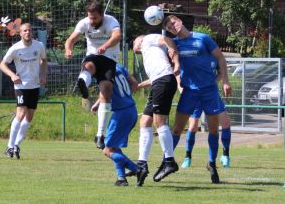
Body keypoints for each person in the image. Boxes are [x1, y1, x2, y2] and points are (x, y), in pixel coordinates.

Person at [161, 15, 232, 184]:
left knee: (214, 130)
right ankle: (166, 162)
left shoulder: (203, 38)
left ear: (179, 20)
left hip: (209, 91)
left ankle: (212, 164)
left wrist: (226, 81)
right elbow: (161, 40)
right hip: (190, 92)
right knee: (177, 130)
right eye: (169, 27)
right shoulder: (175, 44)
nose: (173, 27)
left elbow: (220, 58)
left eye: (173, 23)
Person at [65, 1, 121, 149]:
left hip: (109, 58)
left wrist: (105, 46)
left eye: (95, 18)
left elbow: (117, 36)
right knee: (88, 65)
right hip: (93, 55)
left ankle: (100, 135)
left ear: (102, 15)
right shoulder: (84, 23)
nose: (91, 21)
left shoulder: (111, 21)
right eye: (90, 18)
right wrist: (68, 49)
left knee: (107, 91)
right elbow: (70, 40)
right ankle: (82, 82)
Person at [132, 33, 180, 185]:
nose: (134, 46)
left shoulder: (148, 39)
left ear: (140, 39)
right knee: (145, 121)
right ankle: (142, 163)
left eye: (134, 41)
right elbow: (154, 77)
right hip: (158, 82)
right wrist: (139, 86)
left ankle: (170, 161)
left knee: (159, 123)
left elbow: (168, 40)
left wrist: (174, 53)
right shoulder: (150, 52)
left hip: (163, 81)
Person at [90, 64, 147, 187]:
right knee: (114, 147)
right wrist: (123, 97)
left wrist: (99, 103)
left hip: (120, 113)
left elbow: (106, 90)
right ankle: (121, 178)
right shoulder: (119, 67)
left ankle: (137, 169)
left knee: (107, 149)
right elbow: (134, 84)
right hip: (131, 109)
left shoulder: (102, 70)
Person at [0, 23, 47, 159]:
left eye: (29, 30)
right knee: (20, 114)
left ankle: (16, 145)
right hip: (21, 86)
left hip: (34, 85)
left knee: (29, 116)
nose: (27, 32)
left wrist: (43, 75)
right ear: (20, 33)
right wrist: (13, 75)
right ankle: (9, 146)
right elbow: (2, 64)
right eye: (24, 30)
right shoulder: (15, 48)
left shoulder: (39, 46)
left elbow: (44, 60)